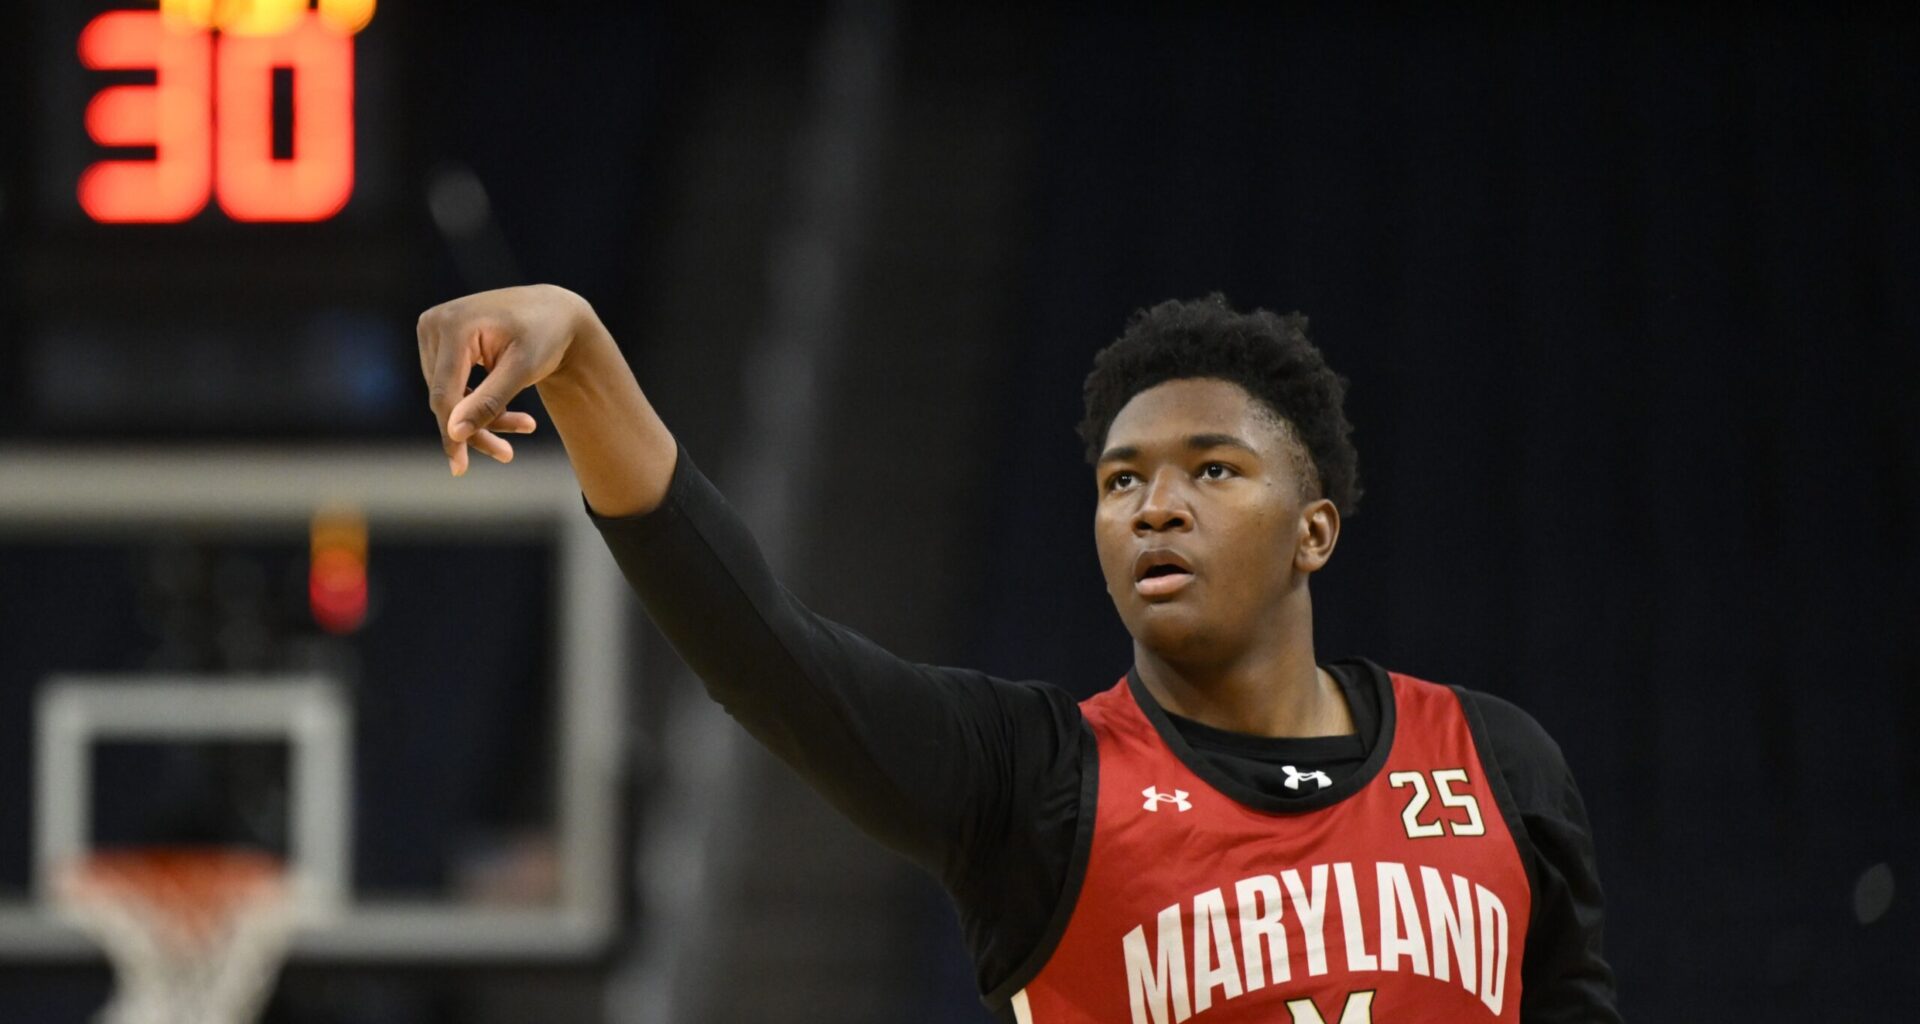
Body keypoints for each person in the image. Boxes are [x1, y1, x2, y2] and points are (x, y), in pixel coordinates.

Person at [416, 285, 1621, 1024]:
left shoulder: (1497, 762)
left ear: (1314, 529)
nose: (1155, 505)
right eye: (1121, 481)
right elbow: (767, 652)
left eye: (1212, 468)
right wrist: (584, 360)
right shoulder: (1035, 782)